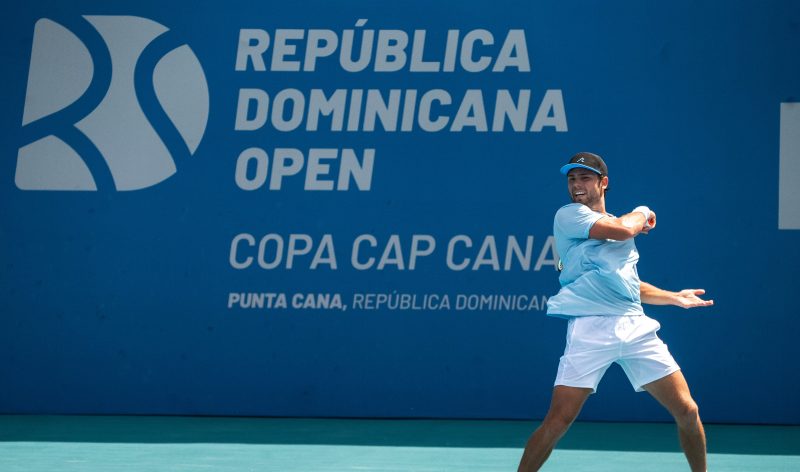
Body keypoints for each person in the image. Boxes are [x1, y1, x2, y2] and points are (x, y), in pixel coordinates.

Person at [517, 152, 713, 472]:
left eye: (585, 178)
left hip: (635, 326)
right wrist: (643, 211)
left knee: (688, 411)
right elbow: (623, 229)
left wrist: (673, 297)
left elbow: (629, 285)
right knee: (558, 420)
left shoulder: (617, 228)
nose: (577, 185)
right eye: (572, 179)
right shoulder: (570, 215)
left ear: (603, 183)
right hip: (590, 329)